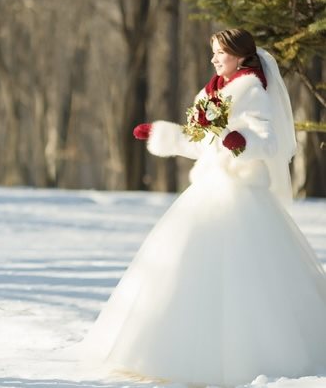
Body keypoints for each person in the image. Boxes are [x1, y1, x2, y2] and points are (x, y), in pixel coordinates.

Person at [70, 29, 326, 385]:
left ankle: (256, 354)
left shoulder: (252, 90)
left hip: (241, 193)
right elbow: (201, 144)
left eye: (220, 53)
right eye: (213, 53)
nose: (214, 59)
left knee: (247, 275)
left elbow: (269, 142)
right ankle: (163, 351)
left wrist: (243, 141)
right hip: (208, 189)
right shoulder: (212, 92)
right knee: (180, 263)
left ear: (239, 55)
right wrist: (164, 135)